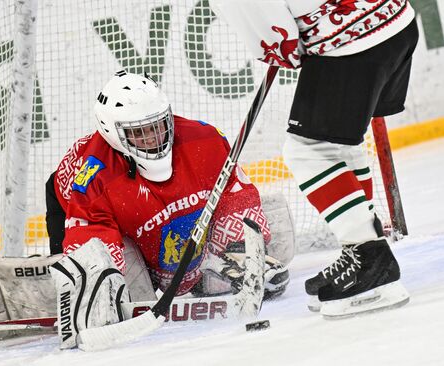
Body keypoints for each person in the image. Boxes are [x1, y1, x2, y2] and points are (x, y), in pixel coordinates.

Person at [45, 71, 295, 347]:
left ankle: (205, 275)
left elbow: (235, 192)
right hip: (74, 208)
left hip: (155, 219)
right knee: (122, 289)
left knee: (275, 236)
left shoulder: (203, 139)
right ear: (112, 134)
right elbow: (91, 235)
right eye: (139, 132)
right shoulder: (94, 177)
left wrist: (237, 247)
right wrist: (99, 284)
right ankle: (66, 283)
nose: (152, 137)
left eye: (158, 125)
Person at [210, 0, 418, 317]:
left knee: (306, 151)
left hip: (350, 44)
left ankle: (370, 257)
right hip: (397, 21)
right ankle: (364, 247)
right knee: (340, 143)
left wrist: (279, 48)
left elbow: (280, 43)